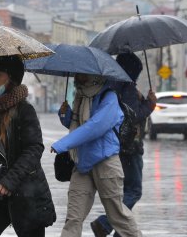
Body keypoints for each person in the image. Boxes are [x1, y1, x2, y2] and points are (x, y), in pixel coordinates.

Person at [0, 55, 56, 237]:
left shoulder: (24, 110)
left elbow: (34, 148)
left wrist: (10, 180)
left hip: (24, 191)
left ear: (11, 79)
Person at [51, 73, 142, 237]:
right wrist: (66, 114)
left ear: (95, 75)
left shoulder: (109, 97)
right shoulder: (81, 96)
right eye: (78, 73)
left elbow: (95, 127)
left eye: (83, 73)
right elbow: (77, 124)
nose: (78, 77)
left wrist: (63, 144)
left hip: (105, 163)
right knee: (73, 218)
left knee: (117, 217)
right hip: (82, 164)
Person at [91, 53, 157, 237]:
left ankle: (119, 231)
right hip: (129, 146)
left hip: (116, 145)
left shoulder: (111, 84)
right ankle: (104, 224)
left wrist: (143, 100)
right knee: (134, 191)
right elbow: (132, 115)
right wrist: (150, 105)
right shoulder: (126, 86)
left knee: (122, 193)